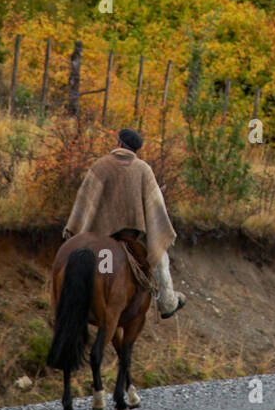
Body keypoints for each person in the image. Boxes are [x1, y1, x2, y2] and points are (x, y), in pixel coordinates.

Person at [62, 127, 186, 319]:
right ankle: (167, 303)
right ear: (136, 150)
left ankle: (64, 293)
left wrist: (76, 231)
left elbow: (85, 201)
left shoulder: (101, 165)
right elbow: (155, 206)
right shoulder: (144, 169)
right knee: (161, 259)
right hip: (131, 236)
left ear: (119, 143)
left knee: (71, 253)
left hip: (100, 235)